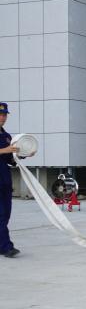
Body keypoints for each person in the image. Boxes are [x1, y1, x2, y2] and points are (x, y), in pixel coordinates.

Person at [1, 103, 35, 258]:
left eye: (5, 115)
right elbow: (5, 151)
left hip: (4, 179)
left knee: (6, 214)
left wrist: (24, 154)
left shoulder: (7, 136)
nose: (3, 118)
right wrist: (4, 150)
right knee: (1, 215)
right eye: (0, 115)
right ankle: (6, 247)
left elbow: (10, 159)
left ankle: (2, 245)